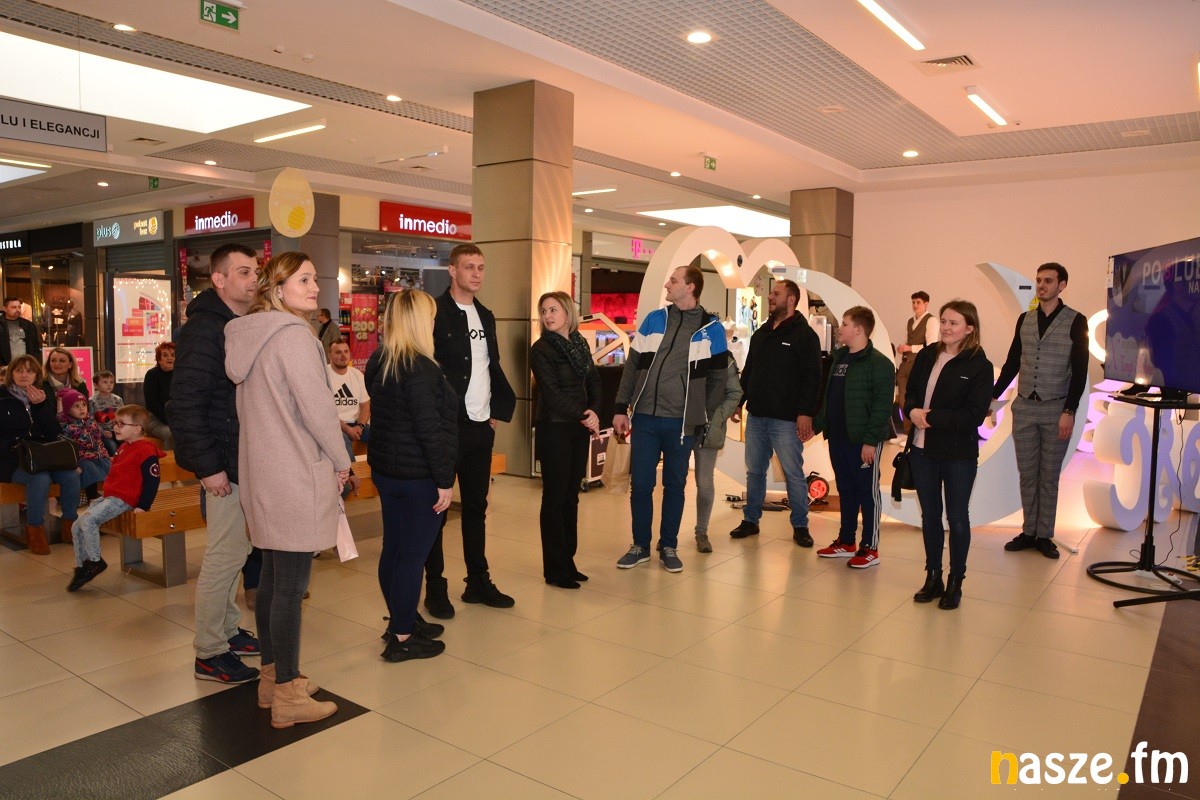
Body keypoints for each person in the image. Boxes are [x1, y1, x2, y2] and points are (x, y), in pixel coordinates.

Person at [225, 251, 350, 728]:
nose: (315, 287)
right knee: (291, 588)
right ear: (277, 289)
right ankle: (289, 693)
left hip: (264, 472)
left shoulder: (248, 335)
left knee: (274, 579)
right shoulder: (295, 337)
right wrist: (342, 461)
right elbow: (318, 412)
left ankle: (272, 677)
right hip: (295, 473)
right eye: (304, 280)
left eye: (315, 278)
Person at [170, 242, 262, 685]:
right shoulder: (206, 329)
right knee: (224, 556)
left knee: (237, 551)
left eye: (255, 271)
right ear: (219, 279)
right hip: (222, 461)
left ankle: (226, 629)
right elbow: (185, 403)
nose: (253, 279)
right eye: (243, 272)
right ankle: (209, 652)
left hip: (239, 457)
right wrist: (209, 468)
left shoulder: (236, 323)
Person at [613, 265, 729, 573]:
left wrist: (702, 413)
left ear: (690, 287)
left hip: (681, 424)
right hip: (646, 418)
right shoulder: (654, 319)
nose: (667, 284)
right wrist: (621, 407)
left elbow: (719, 378)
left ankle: (668, 546)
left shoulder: (711, 330)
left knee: (675, 486)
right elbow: (632, 365)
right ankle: (639, 546)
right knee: (641, 485)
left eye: (673, 280)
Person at [423, 243, 516, 618]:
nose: (476, 273)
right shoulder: (434, 313)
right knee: (438, 511)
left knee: (477, 507)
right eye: (469, 267)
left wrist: (494, 413)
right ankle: (435, 587)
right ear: (452, 270)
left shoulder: (486, 315)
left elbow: (491, 365)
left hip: (481, 425)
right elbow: (426, 369)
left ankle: (477, 581)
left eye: (481, 267)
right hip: (447, 428)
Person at [367, 289, 456, 661]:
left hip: (388, 472)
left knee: (394, 549)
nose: (434, 323)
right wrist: (445, 480)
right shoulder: (420, 367)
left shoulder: (381, 359)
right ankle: (403, 637)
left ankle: (400, 620)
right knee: (412, 557)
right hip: (418, 477)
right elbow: (429, 430)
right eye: (431, 317)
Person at [993, 263, 1088, 560]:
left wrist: (1069, 410)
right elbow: (1012, 362)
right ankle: (1028, 531)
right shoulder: (1025, 319)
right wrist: (993, 395)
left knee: (1048, 475)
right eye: (1038, 280)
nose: (1041, 285)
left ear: (1062, 285)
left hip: (1056, 408)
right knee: (1027, 472)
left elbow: (1080, 371)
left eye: (1048, 280)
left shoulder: (1076, 321)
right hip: (1024, 408)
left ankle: (1044, 534)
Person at [905, 300, 993, 609]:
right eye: (943, 321)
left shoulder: (979, 365)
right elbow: (910, 393)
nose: (945, 327)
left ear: (969, 328)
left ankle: (956, 581)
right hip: (922, 450)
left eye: (953, 323)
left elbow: (974, 415)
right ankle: (933, 577)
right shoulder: (928, 354)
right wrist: (912, 411)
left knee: (956, 519)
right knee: (930, 517)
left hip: (958, 455)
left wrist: (930, 417)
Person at [728, 279, 822, 548]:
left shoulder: (805, 336)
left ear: (791, 300)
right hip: (757, 417)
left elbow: (813, 378)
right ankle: (751, 520)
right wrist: (738, 401)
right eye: (771, 293)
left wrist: (805, 413)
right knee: (755, 472)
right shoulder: (762, 333)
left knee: (793, 474)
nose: (770, 297)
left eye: (776, 294)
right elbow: (749, 371)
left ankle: (801, 525)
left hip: (786, 420)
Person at [813, 306, 895, 568]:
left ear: (859, 329)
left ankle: (870, 547)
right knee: (846, 490)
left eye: (845, 324)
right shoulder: (839, 359)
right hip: (838, 437)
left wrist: (871, 441)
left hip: (862, 441)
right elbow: (829, 400)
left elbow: (882, 407)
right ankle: (847, 541)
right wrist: (816, 426)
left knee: (867, 493)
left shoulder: (880, 364)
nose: (840, 328)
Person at [530, 291, 601, 587]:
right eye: (544, 311)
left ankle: (568, 561)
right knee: (555, 497)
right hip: (554, 428)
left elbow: (593, 380)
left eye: (553, 310)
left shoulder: (580, 343)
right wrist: (585, 415)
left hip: (577, 428)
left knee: (572, 496)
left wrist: (594, 410)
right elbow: (552, 392)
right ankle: (555, 569)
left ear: (567, 313)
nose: (548, 316)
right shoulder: (541, 349)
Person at [67, 404, 164, 592]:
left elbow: (152, 480)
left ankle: (95, 562)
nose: (115, 427)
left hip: (124, 499)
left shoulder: (146, 449)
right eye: (115, 423)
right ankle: (83, 565)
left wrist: (143, 505)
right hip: (111, 497)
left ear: (136, 429)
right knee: (76, 526)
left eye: (121, 424)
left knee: (88, 521)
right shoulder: (125, 446)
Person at [0, 355, 80, 555]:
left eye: (29, 371)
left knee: (70, 475)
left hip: (41, 456)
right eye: (19, 370)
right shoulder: (2, 397)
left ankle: (69, 526)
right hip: (10, 459)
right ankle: (35, 531)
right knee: (40, 478)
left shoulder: (41, 396)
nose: (24, 375)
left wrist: (40, 406)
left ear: (36, 375)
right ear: (11, 374)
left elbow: (53, 433)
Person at [692, 360, 743, 553]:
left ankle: (701, 532)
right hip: (681, 426)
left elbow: (735, 392)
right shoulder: (683, 349)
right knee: (675, 482)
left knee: (704, 483)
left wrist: (717, 417)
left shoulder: (724, 358)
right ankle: (668, 536)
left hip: (708, 429)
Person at [893, 291, 938, 438]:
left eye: (918, 302)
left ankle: (912, 434)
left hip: (919, 364)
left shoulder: (931, 320)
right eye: (913, 302)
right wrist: (903, 348)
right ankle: (906, 433)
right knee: (902, 399)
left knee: (914, 399)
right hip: (906, 363)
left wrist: (910, 348)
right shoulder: (910, 321)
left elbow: (931, 345)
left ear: (926, 304)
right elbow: (909, 340)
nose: (915, 305)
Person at [57, 387, 111, 500]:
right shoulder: (66, 425)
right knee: (90, 470)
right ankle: (92, 498)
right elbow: (66, 448)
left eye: (83, 405)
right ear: (68, 410)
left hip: (96, 454)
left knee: (110, 468)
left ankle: (111, 496)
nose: (81, 408)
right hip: (81, 458)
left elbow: (98, 439)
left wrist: (103, 453)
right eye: (76, 406)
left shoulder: (90, 420)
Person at [327, 340, 371, 464]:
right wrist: (347, 429)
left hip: (356, 423)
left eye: (346, 351)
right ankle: (351, 474)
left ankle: (377, 471)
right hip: (333, 425)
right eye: (338, 352)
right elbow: (325, 413)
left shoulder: (357, 375)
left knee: (381, 438)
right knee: (343, 441)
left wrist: (360, 426)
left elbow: (365, 406)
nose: (343, 355)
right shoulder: (323, 375)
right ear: (329, 355)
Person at [142, 342, 175, 450]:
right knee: (170, 434)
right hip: (155, 419)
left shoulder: (180, 375)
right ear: (159, 359)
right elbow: (152, 403)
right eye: (165, 355)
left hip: (176, 417)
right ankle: (169, 461)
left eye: (173, 355)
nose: (170, 358)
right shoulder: (152, 374)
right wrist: (170, 421)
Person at [90, 370, 123, 457]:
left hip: (118, 430)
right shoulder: (92, 401)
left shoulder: (118, 400)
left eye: (111, 382)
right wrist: (102, 432)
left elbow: (123, 416)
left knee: (127, 444)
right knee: (112, 446)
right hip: (103, 433)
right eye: (105, 382)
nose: (109, 385)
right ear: (96, 385)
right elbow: (91, 421)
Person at [0, 296, 40, 363]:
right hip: (5, 366)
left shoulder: (29, 325)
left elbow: (35, 347)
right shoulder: (1, 325)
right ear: (5, 309)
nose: (17, 309)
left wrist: (32, 363)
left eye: (19, 307)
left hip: (26, 365)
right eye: (13, 307)